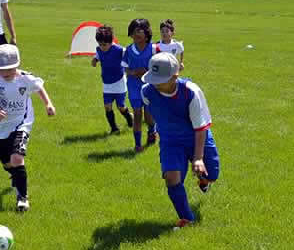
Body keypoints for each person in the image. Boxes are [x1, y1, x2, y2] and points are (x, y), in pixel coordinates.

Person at [140, 53, 220, 229]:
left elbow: (200, 128)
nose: (154, 83)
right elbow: (151, 112)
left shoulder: (191, 92)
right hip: (170, 141)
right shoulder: (147, 91)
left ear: (174, 77)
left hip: (196, 137)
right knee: (171, 178)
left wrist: (198, 158)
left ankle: (204, 181)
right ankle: (186, 218)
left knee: (212, 174)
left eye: (159, 80)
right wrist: (152, 130)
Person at [0, 44, 56, 212]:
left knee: (16, 159)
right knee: (7, 164)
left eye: (9, 69)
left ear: (17, 65)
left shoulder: (25, 79)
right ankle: (15, 177)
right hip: (0, 128)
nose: (5, 73)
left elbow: (39, 88)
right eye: (1, 70)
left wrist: (48, 104)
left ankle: (22, 198)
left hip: (22, 123)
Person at [122, 18, 158, 152]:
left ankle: (152, 130)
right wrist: (132, 72)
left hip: (150, 86)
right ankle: (137, 144)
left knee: (149, 116)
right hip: (134, 86)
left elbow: (160, 67)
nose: (135, 35)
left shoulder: (154, 49)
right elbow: (124, 67)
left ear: (147, 32)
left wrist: (148, 71)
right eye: (133, 32)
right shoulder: (128, 50)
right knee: (137, 114)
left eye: (139, 31)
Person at [91, 25, 133, 135]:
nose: (102, 47)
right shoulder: (99, 50)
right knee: (107, 106)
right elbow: (98, 55)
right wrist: (95, 60)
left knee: (121, 107)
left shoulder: (119, 50)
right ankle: (114, 128)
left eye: (104, 45)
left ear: (111, 42)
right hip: (106, 83)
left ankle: (129, 117)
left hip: (119, 82)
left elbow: (129, 56)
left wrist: (130, 68)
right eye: (99, 44)